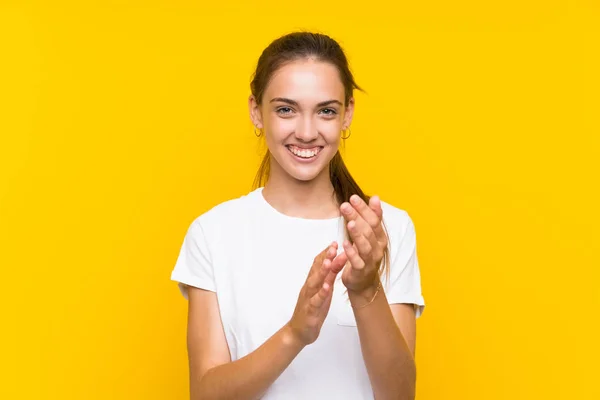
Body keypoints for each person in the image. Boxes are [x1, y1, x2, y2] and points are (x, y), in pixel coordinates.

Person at [170, 31, 426, 400]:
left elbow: (400, 394)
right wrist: (294, 334)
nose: (306, 133)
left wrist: (366, 288)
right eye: (286, 109)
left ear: (347, 113)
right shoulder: (213, 234)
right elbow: (205, 394)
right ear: (256, 112)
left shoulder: (386, 230)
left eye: (326, 111)